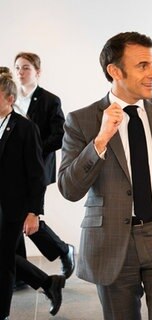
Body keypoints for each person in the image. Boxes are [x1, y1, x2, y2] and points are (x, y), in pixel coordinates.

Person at [57, 31, 152, 320]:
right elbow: (69, 189)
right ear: (114, 71)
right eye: (143, 66)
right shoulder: (81, 120)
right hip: (110, 242)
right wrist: (100, 140)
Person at [0, 70, 64, 319]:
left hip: (14, 206)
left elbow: (36, 174)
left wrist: (34, 212)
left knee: (4, 259)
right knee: (5, 256)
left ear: (8, 98)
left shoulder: (25, 128)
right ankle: (49, 283)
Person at [12, 52, 75, 283]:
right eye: (17, 67)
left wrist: (33, 150)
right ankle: (20, 271)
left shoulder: (50, 100)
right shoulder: (10, 99)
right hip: (12, 168)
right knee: (14, 215)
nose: (20, 72)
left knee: (23, 214)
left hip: (37, 167)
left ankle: (62, 250)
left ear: (38, 71)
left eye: (26, 67)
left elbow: (59, 137)